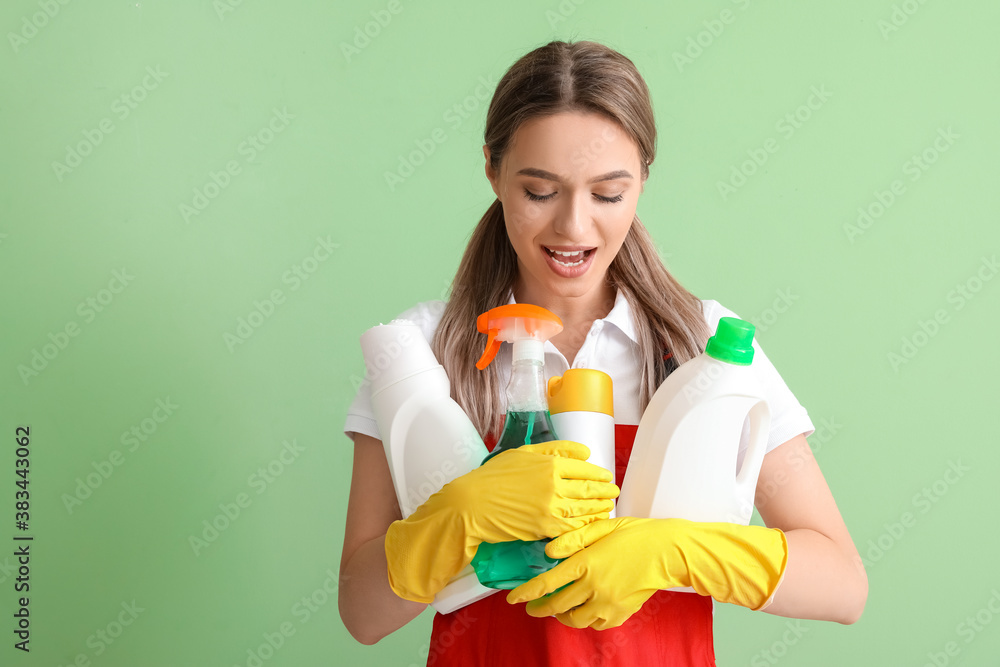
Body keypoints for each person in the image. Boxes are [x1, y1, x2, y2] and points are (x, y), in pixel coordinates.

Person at [339, 39, 867, 666]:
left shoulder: (703, 349)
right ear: (492, 170)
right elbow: (362, 613)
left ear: (644, 175)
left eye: (608, 194)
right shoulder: (423, 354)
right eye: (540, 191)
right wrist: (452, 523)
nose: (574, 227)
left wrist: (675, 551)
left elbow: (842, 584)